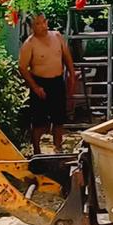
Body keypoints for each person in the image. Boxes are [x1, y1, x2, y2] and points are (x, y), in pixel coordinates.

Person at [19, 12, 76, 154]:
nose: (43, 26)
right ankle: (37, 151)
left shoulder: (57, 36)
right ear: (32, 27)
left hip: (57, 81)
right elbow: (22, 68)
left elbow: (67, 57)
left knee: (59, 119)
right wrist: (35, 87)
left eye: (44, 22)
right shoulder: (29, 44)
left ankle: (58, 147)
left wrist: (72, 76)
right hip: (40, 83)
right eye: (38, 24)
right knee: (39, 122)